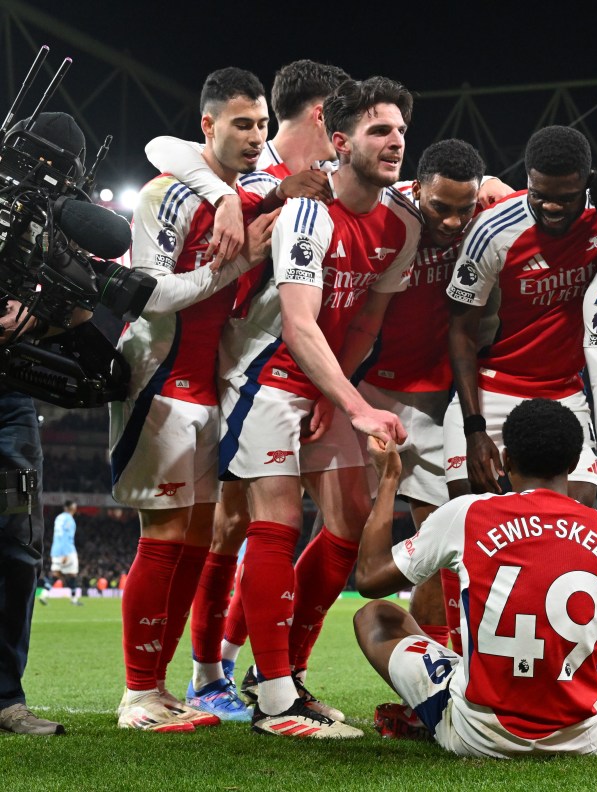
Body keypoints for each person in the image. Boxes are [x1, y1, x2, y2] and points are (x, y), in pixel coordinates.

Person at [145, 59, 352, 721]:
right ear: (323, 116)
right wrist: (232, 196)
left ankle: (260, 670)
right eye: (342, 120)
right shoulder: (248, 175)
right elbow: (166, 148)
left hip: (290, 378)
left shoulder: (329, 187)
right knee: (229, 528)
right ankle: (210, 674)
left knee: (290, 525)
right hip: (230, 376)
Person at [215, 76, 418, 739]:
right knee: (271, 517)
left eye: (401, 132)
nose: (395, 142)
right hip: (267, 373)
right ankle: (272, 700)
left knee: (351, 523)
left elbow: (363, 324)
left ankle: (287, 674)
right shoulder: (309, 208)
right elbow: (300, 324)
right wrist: (357, 405)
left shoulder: (404, 224)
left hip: (325, 381)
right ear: (340, 141)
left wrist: (340, 395)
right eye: (379, 130)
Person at [353, 398, 597, 757]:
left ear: (505, 461)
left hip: (478, 737)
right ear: (572, 464)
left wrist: (389, 478)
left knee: (376, 617)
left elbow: (369, 578)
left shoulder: (468, 514)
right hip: (583, 741)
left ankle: (441, 703)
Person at [109, 66, 276, 732]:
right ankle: (136, 694)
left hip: (206, 380)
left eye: (261, 124)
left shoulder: (240, 190)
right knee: (167, 533)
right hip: (158, 375)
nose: (255, 137)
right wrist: (235, 264)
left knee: (198, 536)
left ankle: (160, 688)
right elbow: (151, 293)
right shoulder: (162, 195)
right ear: (208, 125)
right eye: (242, 124)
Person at [445, 126, 597, 510]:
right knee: (471, 519)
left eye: (565, 199)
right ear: (527, 181)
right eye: (540, 196)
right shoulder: (492, 231)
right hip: (492, 390)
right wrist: (475, 428)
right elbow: (460, 332)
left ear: (587, 184)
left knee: (574, 515)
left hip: (564, 392)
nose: (551, 207)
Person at [359, 139, 492, 656]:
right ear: (416, 189)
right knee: (338, 536)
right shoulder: (384, 214)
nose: (456, 221)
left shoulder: (490, 212)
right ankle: (259, 669)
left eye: (466, 208)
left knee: (435, 546)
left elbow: (563, 196)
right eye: (442, 207)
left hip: (438, 401)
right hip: (366, 391)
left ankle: (432, 675)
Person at [0, 112, 93, 736]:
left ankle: (5, 698)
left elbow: (84, 301)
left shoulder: (45, 228)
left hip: (10, 400)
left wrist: (34, 319)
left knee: (14, 545)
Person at [44, 501, 82, 605]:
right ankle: (74, 600)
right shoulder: (69, 519)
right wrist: (65, 554)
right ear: (72, 508)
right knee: (73, 574)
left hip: (55, 549)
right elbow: (66, 536)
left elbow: (58, 535)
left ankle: (44, 595)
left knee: (56, 573)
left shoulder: (58, 518)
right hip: (67, 550)